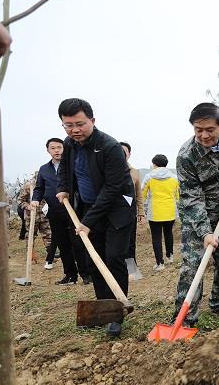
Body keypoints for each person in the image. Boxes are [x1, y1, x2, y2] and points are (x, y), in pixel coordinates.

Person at [56, 98, 135, 337]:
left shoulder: (109, 146)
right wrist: (63, 188)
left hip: (117, 209)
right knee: (93, 261)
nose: (75, 130)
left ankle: (117, 313)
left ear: (92, 120)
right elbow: (65, 170)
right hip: (89, 208)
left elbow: (112, 188)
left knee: (113, 258)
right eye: (68, 125)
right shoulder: (69, 144)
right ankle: (104, 308)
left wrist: (87, 222)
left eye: (80, 124)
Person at [173, 103, 219, 326]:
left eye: (209, 130)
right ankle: (185, 318)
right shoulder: (186, 156)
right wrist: (205, 232)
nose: (204, 135)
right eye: (198, 130)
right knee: (193, 265)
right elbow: (191, 198)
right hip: (195, 216)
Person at [31, 138, 88, 285]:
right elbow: (39, 188)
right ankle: (70, 275)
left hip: (73, 210)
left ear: (64, 149)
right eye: (53, 148)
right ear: (48, 151)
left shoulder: (72, 165)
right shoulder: (44, 169)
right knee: (63, 245)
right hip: (55, 212)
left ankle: (86, 275)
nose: (57, 150)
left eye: (59, 147)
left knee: (78, 243)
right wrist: (35, 199)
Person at [142, 154, 179, 270]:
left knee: (156, 237)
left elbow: (142, 194)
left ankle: (160, 263)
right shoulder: (174, 178)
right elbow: (177, 196)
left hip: (155, 211)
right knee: (168, 233)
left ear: (154, 164)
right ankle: (170, 256)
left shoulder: (149, 177)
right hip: (170, 210)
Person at [120, 141, 144, 280]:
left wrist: (141, 212)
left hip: (130, 213)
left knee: (130, 242)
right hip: (113, 213)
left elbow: (138, 194)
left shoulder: (134, 172)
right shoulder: (109, 169)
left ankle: (132, 270)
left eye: (125, 152)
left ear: (129, 154)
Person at [18, 174, 52, 264]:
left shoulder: (47, 185)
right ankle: (31, 256)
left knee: (48, 235)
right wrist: (28, 206)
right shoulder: (28, 186)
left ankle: (50, 256)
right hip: (31, 216)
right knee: (30, 236)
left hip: (43, 215)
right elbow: (20, 201)